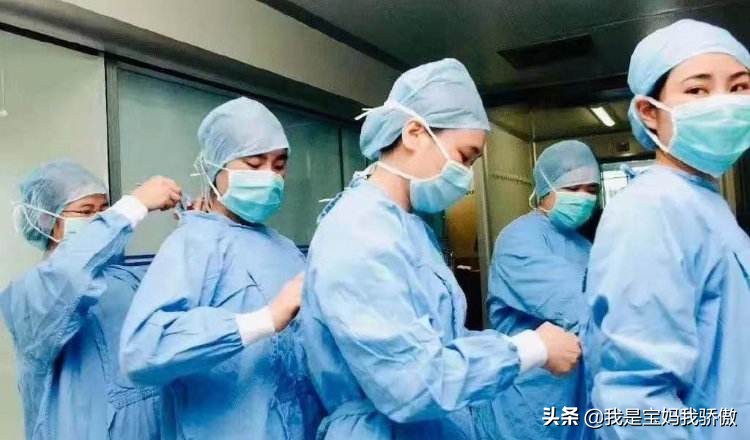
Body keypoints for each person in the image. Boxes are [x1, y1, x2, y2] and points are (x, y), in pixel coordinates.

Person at [300, 58, 582, 440]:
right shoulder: (359, 231)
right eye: (464, 157)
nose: (465, 175)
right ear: (415, 133)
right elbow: (410, 384)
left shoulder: (407, 225)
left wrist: (516, 348)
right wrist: (531, 349)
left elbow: (442, 343)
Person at [582, 19, 750, 440]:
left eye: (740, 87)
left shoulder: (705, 201)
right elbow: (635, 403)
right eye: (697, 90)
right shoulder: (650, 209)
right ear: (650, 113)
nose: (724, 103)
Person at [119, 97, 322, 440]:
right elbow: (142, 350)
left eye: (279, 165)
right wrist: (264, 320)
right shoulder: (193, 244)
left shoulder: (284, 248)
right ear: (216, 168)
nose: (270, 176)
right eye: (254, 163)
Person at [1, 160, 181, 439]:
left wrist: (196, 227)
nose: (99, 219)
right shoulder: (29, 295)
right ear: (48, 221)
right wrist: (133, 206)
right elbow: (67, 276)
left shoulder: (125, 277)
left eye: (104, 209)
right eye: (86, 211)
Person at [484, 140, 600, 440]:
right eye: (572, 188)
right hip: (531, 400)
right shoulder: (519, 240)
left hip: (575, 396)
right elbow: (580, 306)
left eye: (591, 189)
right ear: (545, 188)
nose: (584, 197)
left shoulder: (583, 244)